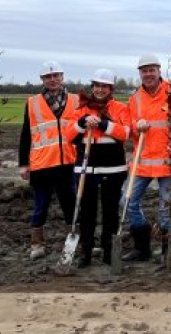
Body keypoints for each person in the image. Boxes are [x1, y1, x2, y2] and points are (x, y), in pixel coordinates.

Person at [123, 54, 171, 262]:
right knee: (127, 201)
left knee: (166, 208)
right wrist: (135, 125)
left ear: (159, 71)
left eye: (152, 70)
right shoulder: (135, 98)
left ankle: (167, 250)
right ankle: (142, 245)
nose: (148, 74)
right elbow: (127, 126)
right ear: (139, 73)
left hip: (168, 161)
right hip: (143, 161)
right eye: (144, 70)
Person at [64, 68, 131, 268]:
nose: (100, 90)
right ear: (92, 86)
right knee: (87, 212)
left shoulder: (120, 108)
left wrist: (102, 124)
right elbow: (69, 136)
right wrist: (82, 123)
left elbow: (125, 133)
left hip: (113, 169)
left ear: (110, 89)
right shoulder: (81, 108)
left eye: (104, 86)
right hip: (86, 169)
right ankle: (85, 251)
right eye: (97, 86)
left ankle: (109, 251)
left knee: (110, 212)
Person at [18, 61, 80, 260]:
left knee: (70, 205)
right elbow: (26, 135)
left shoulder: (76, 100)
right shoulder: (33, 102)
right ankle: (37, 245)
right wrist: (23, 164)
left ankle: (74, 242)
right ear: (42, 80)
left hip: (68, 163)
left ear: (62, 77)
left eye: (56, 75)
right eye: (48, 77)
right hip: (41, 164)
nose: (53, 79)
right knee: (40, 206)